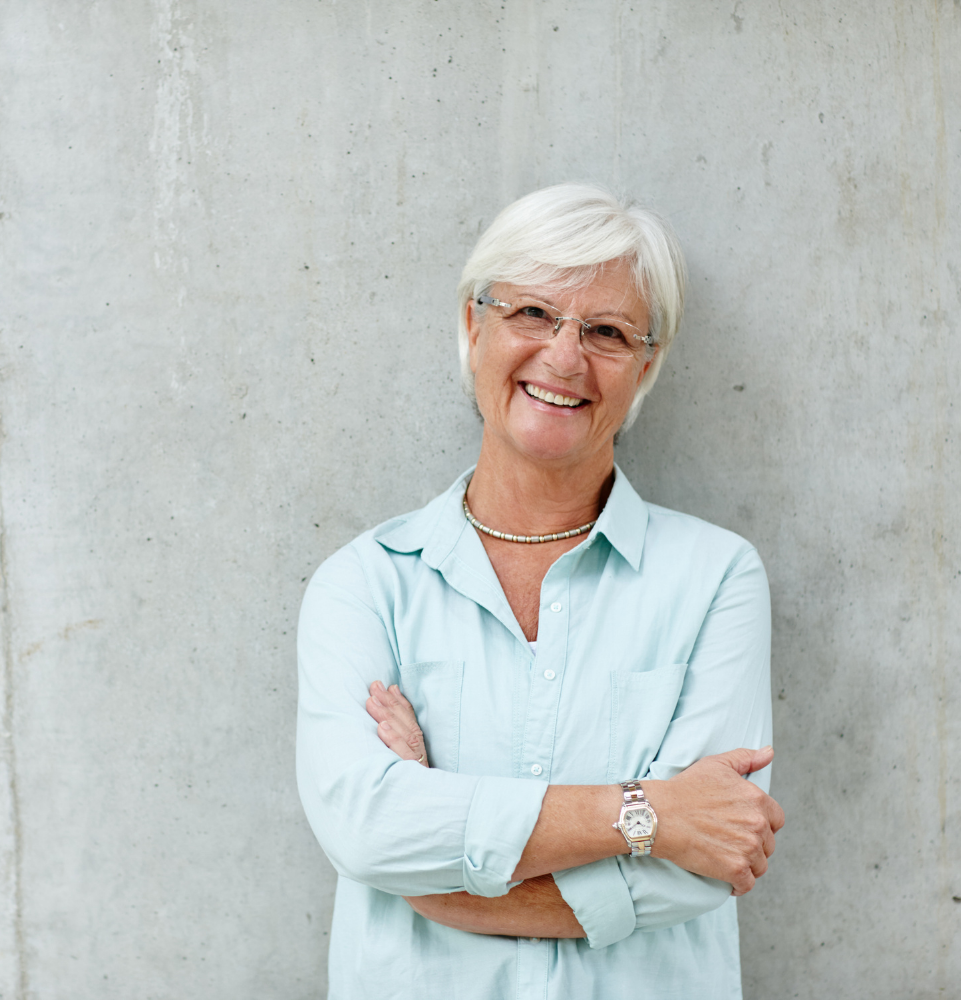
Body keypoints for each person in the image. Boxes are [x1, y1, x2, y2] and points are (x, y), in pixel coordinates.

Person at [297, 183, 785, 1000]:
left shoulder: (716, 579)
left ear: (647, 365)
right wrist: (649, 814)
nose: (564, 357)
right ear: (471, 326)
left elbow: (704, 870)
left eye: (606, 332)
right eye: (532, 314)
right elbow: (365, 830)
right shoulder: (366, 582)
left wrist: (433, 870)